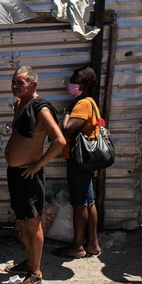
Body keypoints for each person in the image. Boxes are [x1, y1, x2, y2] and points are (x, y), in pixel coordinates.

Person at [4, 66, 66, 284]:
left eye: (20, 83)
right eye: (13, 82)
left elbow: (59, 141)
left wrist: (38, 164)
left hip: (30, 175)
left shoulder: (41, 109)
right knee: (23, 220)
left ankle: (36, 273)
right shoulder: (20, 104)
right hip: (16, 173)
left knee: (33, 222)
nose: (15, 86)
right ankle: (29, 262)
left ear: (34, 85)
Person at [55, 66, 103, 259]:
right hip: (86, 161)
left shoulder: (82, 104)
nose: (71, 84)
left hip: (78, 160)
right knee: (89, 202)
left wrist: (66, 112)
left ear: (85, 86)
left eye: (75, 81)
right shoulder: (90, 102)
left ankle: (77, 246)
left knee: (79, 204)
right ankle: (92, 244)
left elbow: (67, 130)